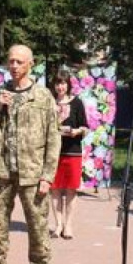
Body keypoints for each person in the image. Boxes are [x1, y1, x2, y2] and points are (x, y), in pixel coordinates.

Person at [0, 44, 60, 264]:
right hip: (2, 172)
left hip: (33, 174)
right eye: (10, 62)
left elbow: (53, 138)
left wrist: (48, 175)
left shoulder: (43, 96)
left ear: (30, 64)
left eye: (19, 62)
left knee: (37, 227)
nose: (14, 66)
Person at [49, 70, 88, 240]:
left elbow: (85, 127)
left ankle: (68, 225)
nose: (60, 86)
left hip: (73, 151)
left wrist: (75, 131)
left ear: (69, 85)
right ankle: (57, 225)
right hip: (53, 152)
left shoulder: (77, 103)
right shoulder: (49, 103)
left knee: (71, 190)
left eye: (63, 83)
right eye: (58, 83)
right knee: (55, 189)